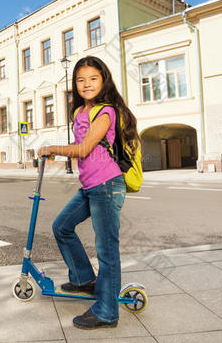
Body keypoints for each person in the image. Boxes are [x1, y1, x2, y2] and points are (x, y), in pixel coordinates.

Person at [37, 56, 139, 330]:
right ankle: (84, 279)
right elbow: (81, 143)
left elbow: (83, 149)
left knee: (107, 251)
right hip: (91, 186)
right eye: (81, 80)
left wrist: (52, 148)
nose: (87, 84)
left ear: (103, 80)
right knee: (62, 226)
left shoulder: (106, 112)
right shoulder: (80, 112)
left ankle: (107, 311)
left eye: (93, 79)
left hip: (107, 185)